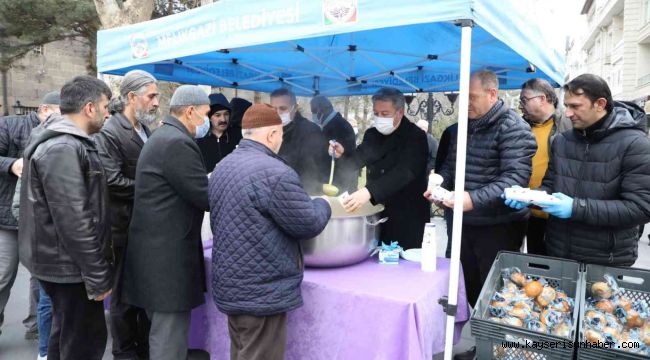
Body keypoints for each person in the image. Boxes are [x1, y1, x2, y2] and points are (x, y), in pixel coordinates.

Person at [209, 104, 331, 360]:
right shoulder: (276, 173)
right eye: (280, 135)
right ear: (272, 134)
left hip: (232, 286)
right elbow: (308, 223)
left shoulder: (222, 167)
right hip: (261, 293)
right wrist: (323, 203)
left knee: (242, 351)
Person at [433, 71, 537, 360]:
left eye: (472, 97)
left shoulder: (514, 129)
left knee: (496, 292)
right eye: (463, 97)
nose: (465, 103)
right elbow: (451, 167)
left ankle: (498, 351)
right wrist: (439, 184)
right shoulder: (462, 127)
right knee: (466, 286)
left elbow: (515, 180)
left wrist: (472, 199)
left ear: (493, 94)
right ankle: (477, 345)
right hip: (462, 223)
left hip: (497, 226)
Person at [507, 74, 650, 266]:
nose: (567, 113)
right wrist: (529, 198)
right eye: (566, 106)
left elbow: (640, 208)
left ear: (599, 104)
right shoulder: (562, 141)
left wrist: (575, 208)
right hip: (558, 251)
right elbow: (550, 185)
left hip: (606, 259)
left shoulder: (635, 144)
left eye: (575, 106)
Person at [18, 75, 113, 360]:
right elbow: (74, 220)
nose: (108, 112)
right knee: (83, 342)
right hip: (69, 268)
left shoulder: (68, 143)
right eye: (105, 106)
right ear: (89, 107)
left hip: (66, 265)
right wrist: (97, 276)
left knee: (67, 337)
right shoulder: (63, 147)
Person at [121, 85, 210, 360]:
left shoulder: (164, 136)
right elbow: (205, 197)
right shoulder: (177, 143)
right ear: (191, 111)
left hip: (154, 256)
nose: (206, 121)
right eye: (206, 114)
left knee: (163, 333)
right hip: (166, 262)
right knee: (168, 339)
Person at [95, 69, 159, 360]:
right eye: (152, 96)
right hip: (122, 230)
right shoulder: (110, 133)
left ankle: (144, 350)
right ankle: (124, 353)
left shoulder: (146, 130)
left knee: (144, 295)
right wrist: (156, 188)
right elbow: (112, 182)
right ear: (132, 97)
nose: (157, 102)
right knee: (122, 299)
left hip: (145, 229)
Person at [330, 87, 430, 250]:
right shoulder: (372, 134)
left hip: (406, 216)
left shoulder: (415, 136)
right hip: (377, 213)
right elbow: (358, 159)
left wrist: (369, 191)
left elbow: (405, 172)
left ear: (400, 112)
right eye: (376, 114)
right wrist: (342, 155)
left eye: (385, 114)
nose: (379, 118)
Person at [0, 91, 60, 340]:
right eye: (60, 113)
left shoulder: (60, 134)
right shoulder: (9, 125)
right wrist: (11, 165)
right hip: (7, 220)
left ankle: (36, 326)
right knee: (3, 277)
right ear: (44, 109)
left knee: (42, 279)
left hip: (40, 221)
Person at [518, 78, 571, 255]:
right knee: (533, 264)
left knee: (556, 267)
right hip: (528, 211)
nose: (521, 105)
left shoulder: (569, 125)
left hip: (558, 214)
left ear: (542, 98)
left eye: (524, 100)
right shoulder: (521, 127)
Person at [270, 88, 329, 194]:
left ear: (295, 108)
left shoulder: (310, 131)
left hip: (303, 194)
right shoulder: (271, 130)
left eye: (283, 108)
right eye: (274, 109)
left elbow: (316, 170)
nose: (278, 113)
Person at [310, 95, 358, 192]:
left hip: (340, 183)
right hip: (332, 181)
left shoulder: (340, 126)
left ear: (320, 110)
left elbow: (348, 156)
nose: (313, 115)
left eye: (313, 111)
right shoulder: (331, 125)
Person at [197, 93, 243, 173]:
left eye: (226, 114)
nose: (223, 119)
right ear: (209, 118)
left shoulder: (238, 136)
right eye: (217, 115)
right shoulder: (200, 141)